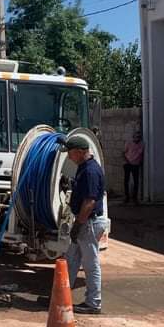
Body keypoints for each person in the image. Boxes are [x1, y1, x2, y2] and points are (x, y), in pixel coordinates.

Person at [63, 134, 108, 315]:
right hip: (85, 221)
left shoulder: (90, 171)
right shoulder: (85, 167)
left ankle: (93, 303)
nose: (68, 157)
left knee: (90, 264)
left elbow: (89, 202)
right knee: (71, 261)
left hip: (88, 222)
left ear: (81, 152)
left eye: (71, 153)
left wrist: (78, 225)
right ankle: (61, 296)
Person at [123, 130, 144, 204]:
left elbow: (140, 154)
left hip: (136, 164)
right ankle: (127, 197)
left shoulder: (141, 144)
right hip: (128, 163)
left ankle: (135, 198)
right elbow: (124, 153)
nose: (137, 139)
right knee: (126, 180)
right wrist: (127, 161)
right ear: (133, 137)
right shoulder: (129, 143)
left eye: (139, 137)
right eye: (136, 137)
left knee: (136, 181)